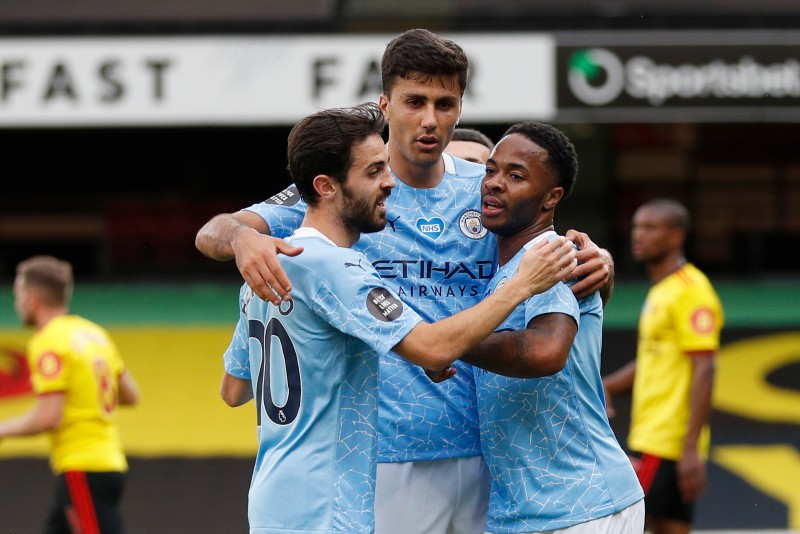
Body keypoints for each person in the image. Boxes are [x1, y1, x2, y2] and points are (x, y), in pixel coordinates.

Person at [196, 28, 614, 534]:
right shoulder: (347, 186)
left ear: (461, 108)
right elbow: (212, 230)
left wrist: (599, 265)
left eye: (445, 103)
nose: (430, 120)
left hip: (487, 456)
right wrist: (241, 240)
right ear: (385, 104)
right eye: (415, 101)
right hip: (384, 458)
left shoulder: (484, 189)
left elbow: (545, 258)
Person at [447, 121, 645, 533]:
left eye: (515, 175)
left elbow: (545, 351)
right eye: (491, 171)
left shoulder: (552, 254)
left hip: (582, 503)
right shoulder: (500, 269)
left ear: (552, 197)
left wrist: (445, 342)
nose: (494, 183)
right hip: (522, 510)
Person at [602, 198, 724, 534]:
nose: (638, 235)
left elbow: (705, 368)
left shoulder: (691, 291)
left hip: (664, 441)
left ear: (676, 236)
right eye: (636, 226)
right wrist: (607, 385)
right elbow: (655, 360)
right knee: (670, 528)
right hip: (657, 437)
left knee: (629, 524)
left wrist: (689, 450)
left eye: (650, 227)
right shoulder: (663, 290)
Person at [0, 255, 140, 534]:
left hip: (83, 466)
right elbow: (130, 394)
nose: (16, 303)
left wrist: (2, 429)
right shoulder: (94, 333)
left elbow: (49, 416)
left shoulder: (48, 341)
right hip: (108, 461)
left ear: (33, 298)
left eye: (18, 294)